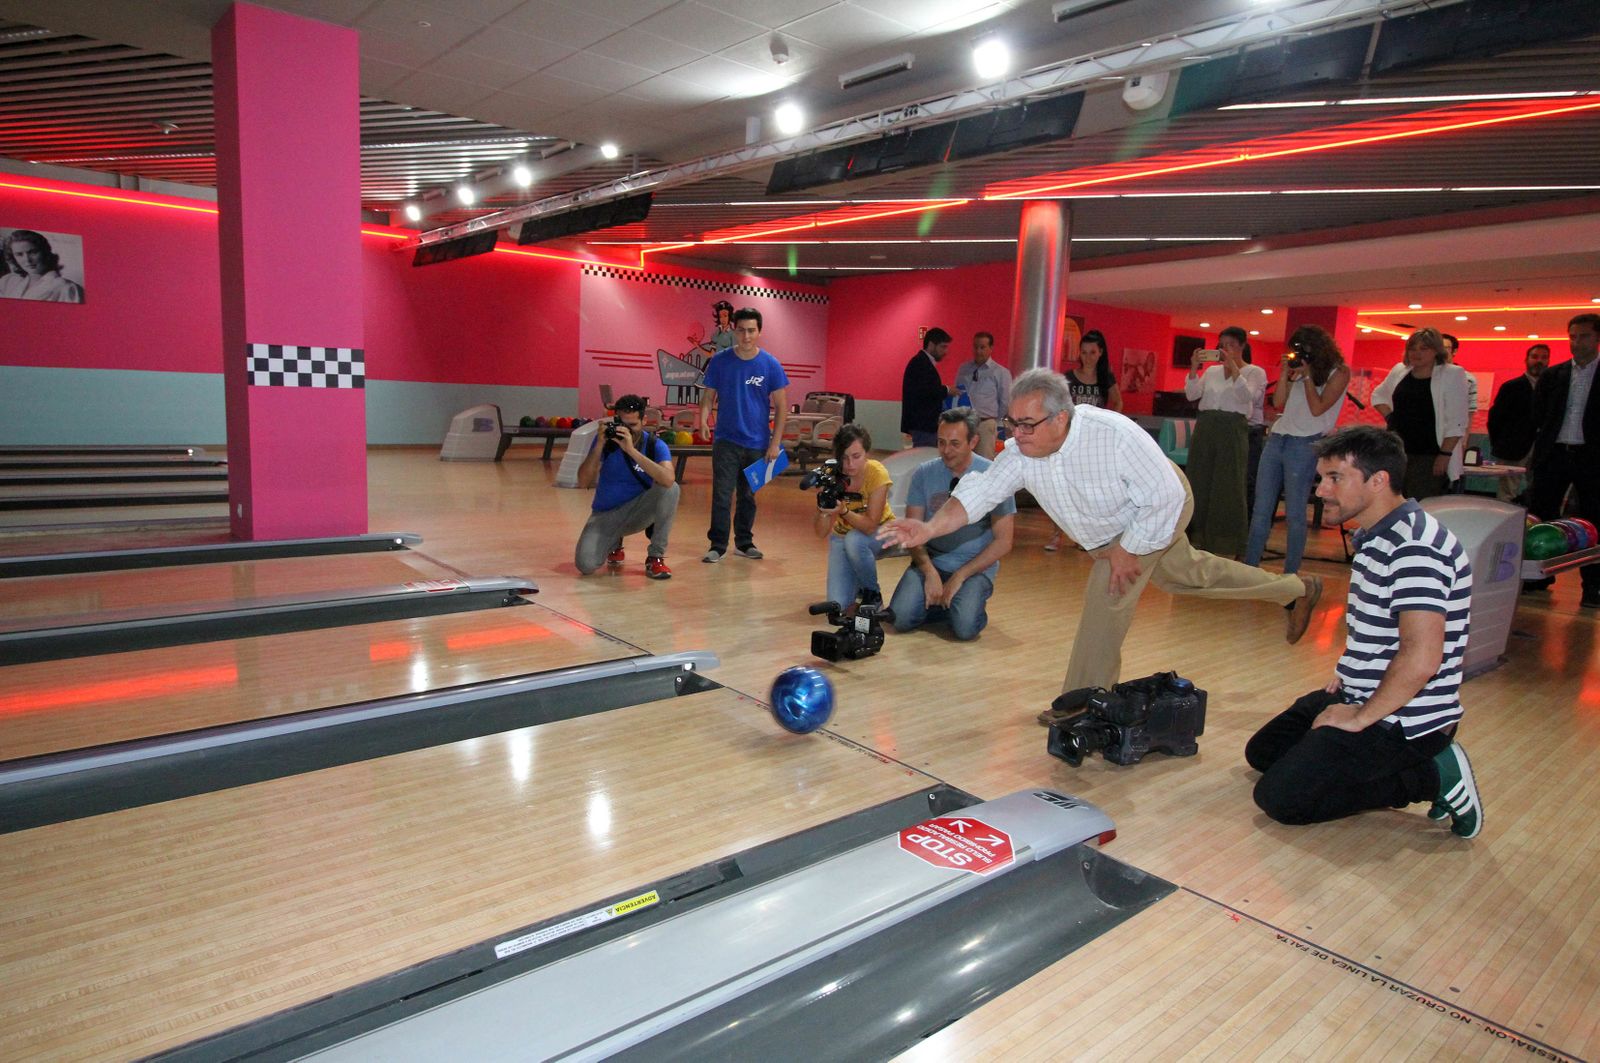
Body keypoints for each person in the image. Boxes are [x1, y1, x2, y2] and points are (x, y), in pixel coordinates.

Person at [878, 369, 1323, 698]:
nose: (1016, 434)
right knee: (1188, 575)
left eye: (1027, 424)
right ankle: (1293, 590)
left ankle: (1082, 703)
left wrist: (1128, 550)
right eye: (1012, 423)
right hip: (1113, 526)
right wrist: (930, 527)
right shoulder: (1021, 451)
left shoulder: (1114, 435)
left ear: (1060, 418)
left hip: (1158, 505)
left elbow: (1164, 497)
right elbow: (979, 493)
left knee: (1106, 596)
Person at [1245, 425, 1480, 838]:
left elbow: (1422, 658)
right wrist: (1351, 674)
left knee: (1281, 800)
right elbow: (1381, 629)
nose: (1321, 490)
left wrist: (1359, 718)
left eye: (1335, 478)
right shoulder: (1376, 535)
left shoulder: (1415, 549)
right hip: (1360, 690)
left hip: (1406, 721)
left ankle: (1431, 776)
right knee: (1264, 752)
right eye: (1322, 478)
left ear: (1378, 481)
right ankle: (1353, 755)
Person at [889, 409, 1015, 640]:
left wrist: (961, 575)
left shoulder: (993, 475)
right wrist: (929, 572)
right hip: (931, 561)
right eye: (941, 442)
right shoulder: (923, 474)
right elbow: (913, 531)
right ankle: (943, 604)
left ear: (973, 441)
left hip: (974, 568)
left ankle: (958, 605)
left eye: (955, 444)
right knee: (899, 618)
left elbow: (1004, 541)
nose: (946, 451)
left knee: (965, 629)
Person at [1244, 324, 1350, 575]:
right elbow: (1278, 402)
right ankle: (1249, 569)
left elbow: (1318, 408)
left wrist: (1308, 377)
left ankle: (1290, 573)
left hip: (1306, 443)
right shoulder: (1298, 373)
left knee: (1295, 511)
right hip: (1278, 438)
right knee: (1262, 508)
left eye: (1302, 351)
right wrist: (1285, 374)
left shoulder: (1339, 372)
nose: (1298, 356)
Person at [697, 307, 788, 563]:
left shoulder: (770, 364)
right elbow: (708, 396)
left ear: (759, 332)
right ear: (734, 331)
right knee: (722, 495)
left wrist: (775, 443)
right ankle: (717, 545)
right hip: (726, 440)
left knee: (748, 496)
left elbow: (782, 407)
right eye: (741, 330)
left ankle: (744, 542)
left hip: (757, 444)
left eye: (751, 330)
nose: (746, 336)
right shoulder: (720, 361)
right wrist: (703, 419)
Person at [1526, 313, 1600, 609]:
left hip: (1592, 457)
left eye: (1583, 336)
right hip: (1555, 453)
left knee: (1594, 518)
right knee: (1542, 514)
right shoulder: (1554, 375)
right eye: (1572, 336)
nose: (1576, 342)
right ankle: (1539, 576)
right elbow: (1538, 416)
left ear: (1596, 339)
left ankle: (1593, 585)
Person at [1183, 325, 1267, 556]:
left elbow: (1247, 397)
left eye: (1231, 345)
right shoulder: (1211, 373)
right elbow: (1192, 394)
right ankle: (1195, 535)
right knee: (1199, 478)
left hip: (1232, 428)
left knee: (1228, 484)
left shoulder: (1254, 372)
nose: (1225, 350)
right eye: (1222, 345)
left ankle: (1225, 540)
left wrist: (1233, 369)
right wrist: (1193, 368)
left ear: (1241, 347)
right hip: (1207, 426)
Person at [575, 394, 679, 579]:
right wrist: (599, 444)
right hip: (606, 514)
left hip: (638, 512)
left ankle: (656, 557)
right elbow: (583, 482)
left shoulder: (655, 445)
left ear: (644, 420)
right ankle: (614, 542)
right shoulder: (606, 443)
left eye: (633, 426)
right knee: (586, 565)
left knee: (671, 489)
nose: (628, 431)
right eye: (623, 425)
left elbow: (668, 479)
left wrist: (630, 450)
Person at [1370, 328, 1469, 501]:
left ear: (1436, 351)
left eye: (1424, 349)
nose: (1417, 353)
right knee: (1391, 501)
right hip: (1397, 450)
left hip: (1429, 453)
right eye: (1413, 348)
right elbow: (1378, 396)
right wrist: (1390, 417)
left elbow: (1457, 420)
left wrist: (1444, 455)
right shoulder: (1401, 370)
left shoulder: (1452, 374)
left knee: (1420, 502)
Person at [1048, 328, 1122, 550]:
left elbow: (1118, 402)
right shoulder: (1069, 378)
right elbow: (1057, 403)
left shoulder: (1105, 378)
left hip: (1095, 442)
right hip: (1070, 438)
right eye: (1084, 352)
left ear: (1100, 353)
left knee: (1090, 490)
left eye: (1092, 352)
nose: (1087, 356)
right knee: (1063, 487)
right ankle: (1056, 534)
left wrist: (1110, 423)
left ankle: (1086, 536)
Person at [813, 423, 894, 609]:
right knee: (837, 606)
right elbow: (820, 533)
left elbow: (870, 526)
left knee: (855, 540)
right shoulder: (832, 476)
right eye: (844, 458)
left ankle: (871, 593)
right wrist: (823, 510)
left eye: (856, 457)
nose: (850, 465)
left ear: (867, 453)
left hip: (882, 531)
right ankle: (856, 584)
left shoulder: (877, 473)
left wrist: (843, 511)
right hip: (842, 536)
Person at [1486, 342, 1549, 502]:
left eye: (1544, 357)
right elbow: (1495, 418)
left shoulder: (1552, 387)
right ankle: (1505, 524)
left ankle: (1533, 523)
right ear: (1526, 360)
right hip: (1513, 446)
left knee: (1540, 488)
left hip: (1542, 446)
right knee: (1508, 490)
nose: (1539, 361)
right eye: (1535, 357)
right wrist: (1500, 443)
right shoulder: (1512, 387)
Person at [954, 331, 1012, 457]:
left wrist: (994, 421)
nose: (978, 351)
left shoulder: (1001, 372)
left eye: (982, 347)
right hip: (964, 424)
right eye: (975, 347)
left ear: (991, 348)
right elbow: (957, 393)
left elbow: (1005, 401)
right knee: (961, 460)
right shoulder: (964, 369)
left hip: (985, 424)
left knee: (984, 462)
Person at [902, 327, 952, 448]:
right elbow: (927, 391)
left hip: (924, 425)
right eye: (943, 347)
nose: (945, 351)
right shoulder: (920, 363)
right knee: (924, 457)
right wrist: (947, 390)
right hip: (924, 425)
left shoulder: (922, 362)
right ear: (931, 345)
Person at [0, 230, 83, 303]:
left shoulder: (65, 287)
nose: (27, 260)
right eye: (19, 254)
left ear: (45, 252)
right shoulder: (7, 281)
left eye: (33, 252)